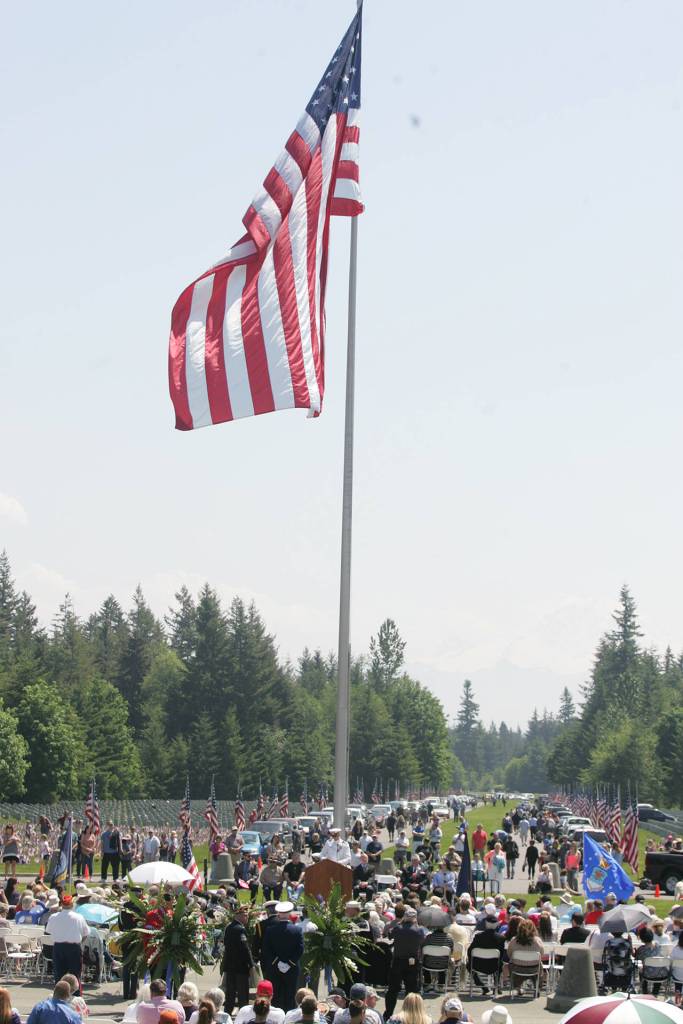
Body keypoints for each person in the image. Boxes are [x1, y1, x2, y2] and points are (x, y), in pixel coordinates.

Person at [261, 901, 304, 1012]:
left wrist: (277, 962)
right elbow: (300, 950)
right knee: (291, 995)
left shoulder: (270, 930)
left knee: (275, 996)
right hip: (292, 968)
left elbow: (266, 949)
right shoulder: (297, 930)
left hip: (274, 968)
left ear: (278, 914)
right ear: (289, 914)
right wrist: (289, 963)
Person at [384, 907, 423, 1019]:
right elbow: (421, 941)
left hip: (398, 961)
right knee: (411, 990)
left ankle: (388, 1013)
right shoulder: (419, 930)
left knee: (393, 990)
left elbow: (389, 935)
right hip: (412, 962)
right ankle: (411, 1014)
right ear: (415, 918)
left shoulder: (398, 928)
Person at [46, 895, 90, 983]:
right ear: (72, 904)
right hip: (73, 947)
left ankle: (60, 994)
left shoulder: (53, 917)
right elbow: (86, 933)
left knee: (59, 975)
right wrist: (79, 942)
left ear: (61, 904)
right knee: (75, 976)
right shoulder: (79, 917)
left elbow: (48, 931)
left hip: (59, 947)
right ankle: (75, 995)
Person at [222, 906, 255, 1015]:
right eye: (245, 916)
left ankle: (227, 1012)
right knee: (242, 993)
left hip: (230, 965)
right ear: (238, 916)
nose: (246, 918)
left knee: (230, 992)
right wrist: (251, 965)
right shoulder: (240, 929)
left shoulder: (228, 927)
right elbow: (245, 949)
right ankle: (243, 1014)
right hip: (241, 966)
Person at [467, 915, 505, 996]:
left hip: (478, 965)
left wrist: (471, 961)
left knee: (468, 965)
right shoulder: (501, 938)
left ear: (486, 924)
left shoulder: (478, 936)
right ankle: (496, 986)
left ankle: (482, 985)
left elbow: (470, 951)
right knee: (500, 963)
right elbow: (501, 955)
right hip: (494, 966)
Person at [506, 919, 544, 997]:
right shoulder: (538, 941)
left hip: (517, 969)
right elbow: (541, 954)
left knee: (510, 964)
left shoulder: (513, 941)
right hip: (534, 969)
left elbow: (509, 955)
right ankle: (537, 988)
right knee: (540, 965)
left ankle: (517, 987)